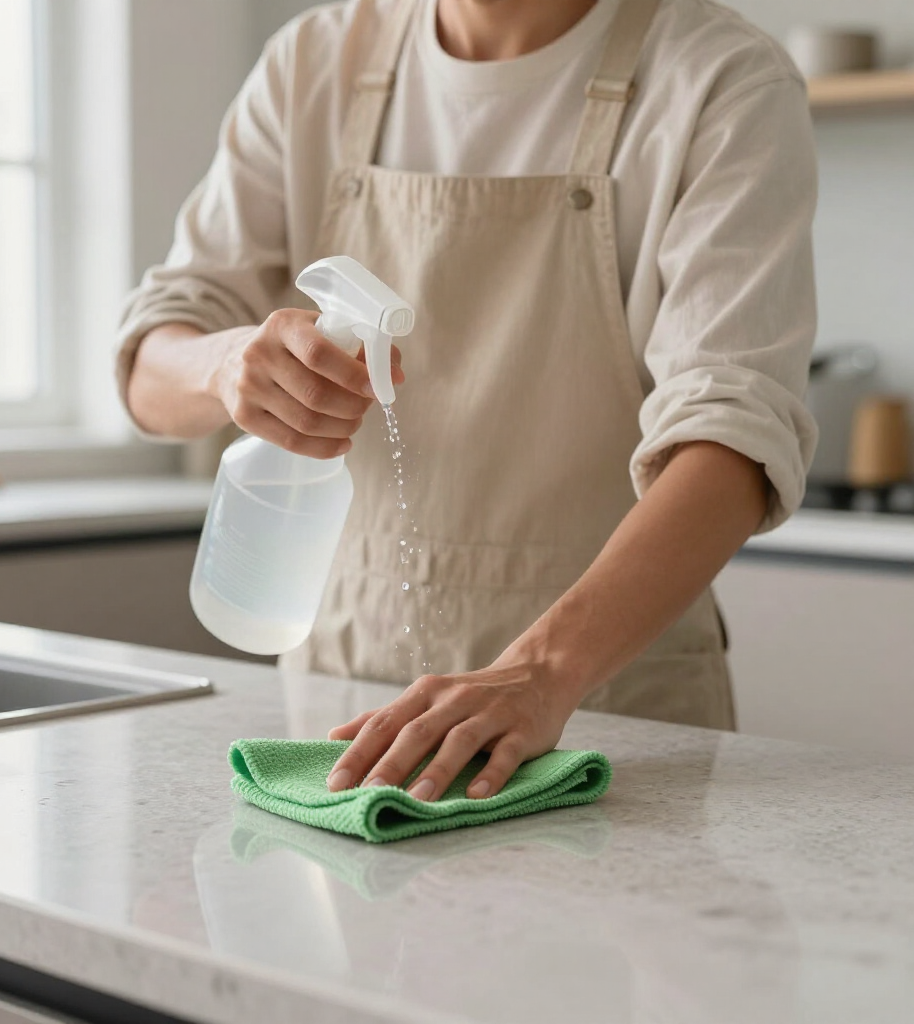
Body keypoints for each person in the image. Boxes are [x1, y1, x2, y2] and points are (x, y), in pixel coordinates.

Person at [118, 0, 818, 804]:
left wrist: (540, 672)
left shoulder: (720, 79)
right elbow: (149, 369)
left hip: (607, 715)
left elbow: (732, 434)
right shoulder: (312, 64)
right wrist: (226, 363)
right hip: (345, 709)